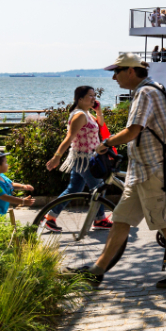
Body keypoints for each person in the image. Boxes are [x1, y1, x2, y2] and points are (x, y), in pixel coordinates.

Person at [74, 53, 166, 289]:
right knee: (121, 220)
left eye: (117, 72)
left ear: (130, 71)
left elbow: (133, 131)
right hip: (142, 171)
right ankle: (97, 271)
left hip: (152, 170)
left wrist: (106, 143)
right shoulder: (150, 90)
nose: (113, 77)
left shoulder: (145, 93)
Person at [42, 87, 113, 232]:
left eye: (94, 96)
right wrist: (57, 157)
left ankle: (50, 217)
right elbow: (69, 137)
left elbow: (100, 124)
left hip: (84, 157)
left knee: (74, 189)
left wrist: (98, 111)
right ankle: (99, 219)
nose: (94, 99)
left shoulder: (86, 113)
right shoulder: (79, 115)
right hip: (85, 159)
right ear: (80, 99)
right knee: (99, 188)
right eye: (90, 96)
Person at [0, 152, 35, 218]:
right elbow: (4, 197)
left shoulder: (1, 176)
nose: (7, 164)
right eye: (5, 163)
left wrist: (23, 186)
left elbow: (11, 185)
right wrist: (23, 201)